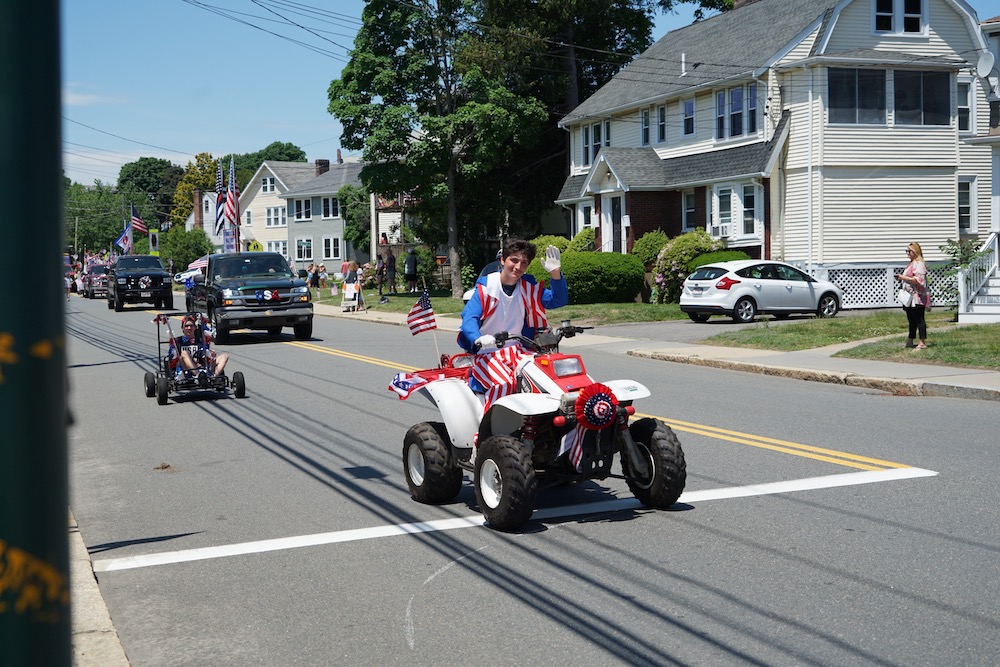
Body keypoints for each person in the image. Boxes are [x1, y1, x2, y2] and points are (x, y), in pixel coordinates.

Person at [459, 239, 567, 408]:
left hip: (519, 351)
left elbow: (557, 300)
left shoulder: (528, 287)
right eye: (514, 260)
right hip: (488, 353)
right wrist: (478, 339)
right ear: (503, 260)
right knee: (504, 384)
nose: (518, 267)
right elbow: (469, 319)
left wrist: (555, 274)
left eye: (524, 263)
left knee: (547, 377)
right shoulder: (487, 287)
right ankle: (489, 432)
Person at [895, 241, 930, 350]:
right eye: (906, 251)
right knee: (911, 319)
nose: (907, 253)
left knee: (919, 319)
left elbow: (918, 280)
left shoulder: (919, 264)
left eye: (909, 251)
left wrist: (902, 277)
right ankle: (910, 340)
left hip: (917, 297)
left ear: (915, 251)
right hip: (909, 298)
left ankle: (922, 342)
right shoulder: (911, 263)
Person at [175, 315, 228, 381]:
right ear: (182, 328)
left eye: (191, 326)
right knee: (184, 353)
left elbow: (205, 353)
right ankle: (199, 376)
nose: (189, 328)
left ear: (195, 327)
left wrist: (211, 354)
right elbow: (173, 360)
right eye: (186, 326)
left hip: (201, 367)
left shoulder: (200, 341)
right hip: (185, 369)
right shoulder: (177, 341)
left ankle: (214, 376)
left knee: (224, 356)